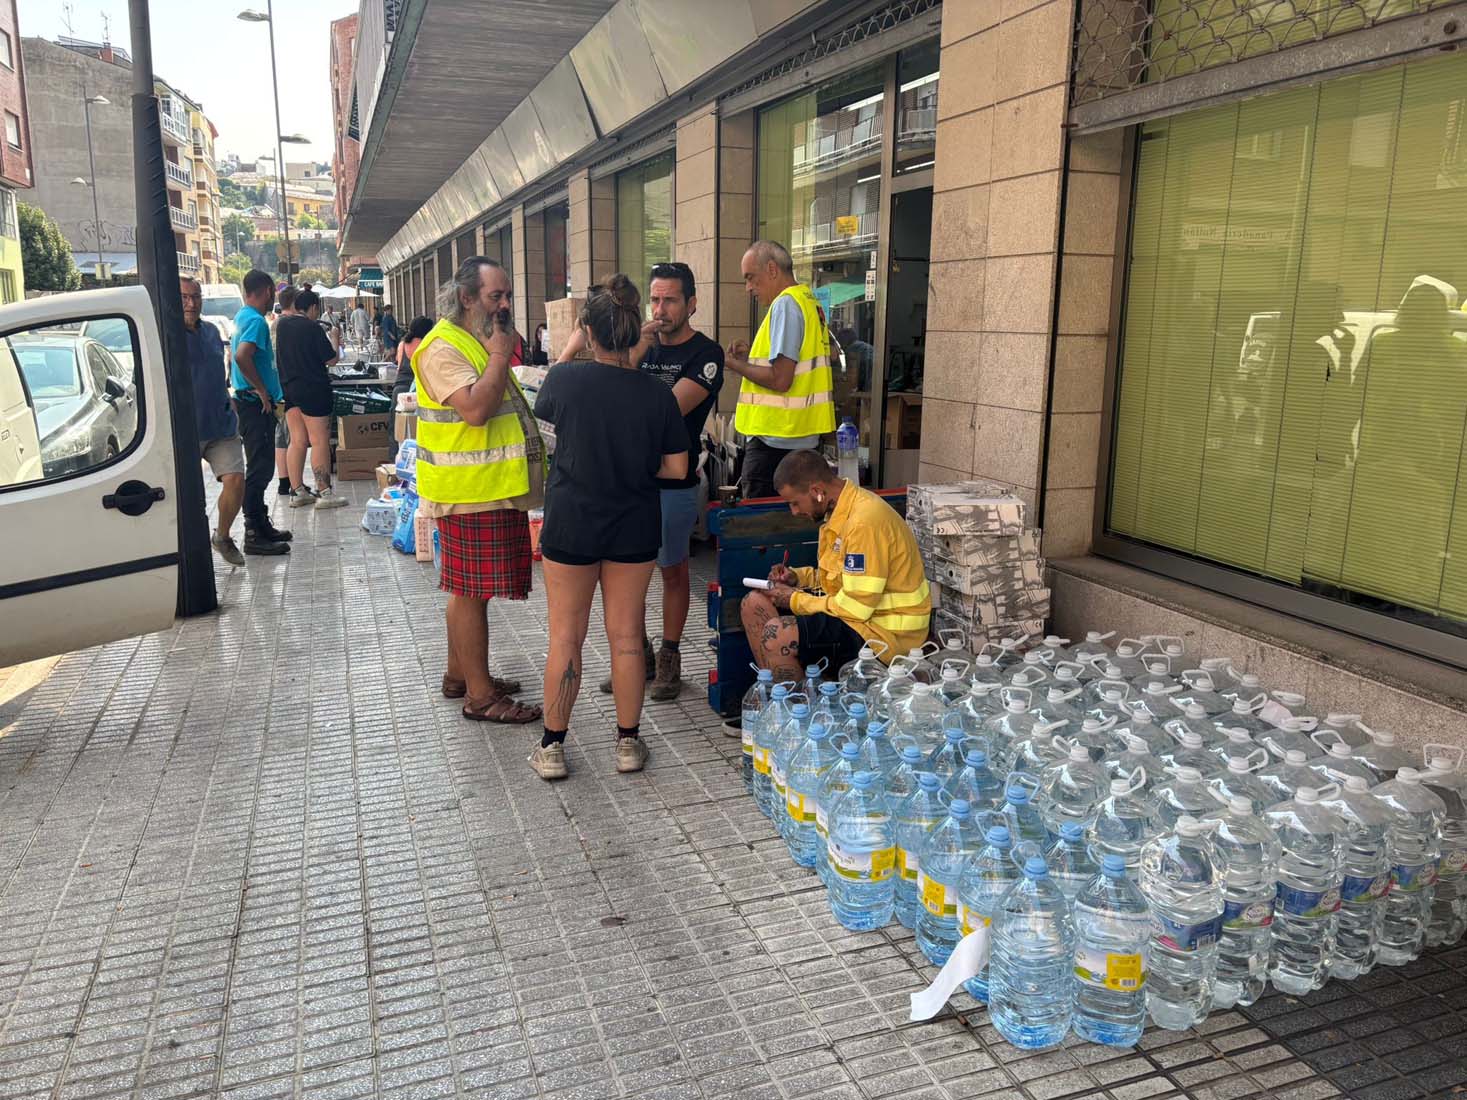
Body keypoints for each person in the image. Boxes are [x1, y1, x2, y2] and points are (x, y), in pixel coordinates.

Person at [532, 274, 687, 781]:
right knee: (626, 638)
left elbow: (545, 422)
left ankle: (553, 748)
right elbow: (677, 469)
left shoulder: (564, 381)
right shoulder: (657, 395)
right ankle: (627, 744)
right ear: (634, 329)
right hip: (634, 524)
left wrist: (574, 342)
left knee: (566, 637)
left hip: (571, 522)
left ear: (589, 331)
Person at [412, 257, 545, 725]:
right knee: (470, 592)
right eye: (495, 296)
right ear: (467, 297)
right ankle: (481, 696)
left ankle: (461, 676)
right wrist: (500, 355)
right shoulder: (443, 347)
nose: (505, 305)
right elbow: (475, 411)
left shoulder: (473, 338)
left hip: (486, 488)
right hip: (468, 492)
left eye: (508, 295)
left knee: (469, 590)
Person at [591, 261, 722, 702]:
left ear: (692, 304)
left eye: (670, 300)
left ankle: (669, 656)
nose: (660, 310)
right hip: (630, 481)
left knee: (673, 570)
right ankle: (638, 655)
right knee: (626, 575)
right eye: (655, 300)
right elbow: (607, 393)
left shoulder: (706, 355)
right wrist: (637, 352)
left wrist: (630, 368)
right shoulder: (641, 347)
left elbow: (664, 411)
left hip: (674, 481)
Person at [740, 449, 930, 681]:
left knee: (778, 636)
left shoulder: (864, 522)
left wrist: (794, 599)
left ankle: (797, 700)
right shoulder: (840, 510)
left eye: (795, 503)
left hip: (886, 637)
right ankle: (774, 693)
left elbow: (855, 607)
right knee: (753, 603)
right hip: (860, 619)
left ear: (817, 491)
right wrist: (797, 578)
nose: (794, 512)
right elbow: (841, 578)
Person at [724, 240, 835, 499]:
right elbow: (795, 365)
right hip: (801, 439)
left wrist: (732, 363)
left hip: (775, 443)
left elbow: (780, 379)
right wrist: (749, 358)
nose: (748, 288)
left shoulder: (785, 304)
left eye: (750, 277)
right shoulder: (808, 300)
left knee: (761, 520)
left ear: (772, 269)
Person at [179, 275, 246, 565]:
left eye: (196, 297)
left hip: (221, 423)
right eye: (184, 297)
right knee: (189, 496)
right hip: (185, 428)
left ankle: (223, 535)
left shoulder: (211, 331)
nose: (191, 303)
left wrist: (230, 401)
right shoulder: (166, 334)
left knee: (236, 480)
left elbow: (220, 372)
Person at [229, 269, 291, 555]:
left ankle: (261, 523)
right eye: (272, 293)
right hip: (255, 404)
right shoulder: (255, 321)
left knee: (261, 465)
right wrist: (262, 390)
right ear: (267, 290)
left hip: (248, 402)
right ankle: (253, 532)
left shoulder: (242, 316)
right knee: (260, 468)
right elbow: (242, 356)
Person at [277, 288, 347, 509]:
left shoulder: (283, 325)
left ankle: (297, 491)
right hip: (314, 389)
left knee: (297, 441)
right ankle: (324, 492)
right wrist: (335, 338)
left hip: (290, 389)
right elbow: (332, 359)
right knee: (319, 440)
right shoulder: (312, 328)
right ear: (314, 308)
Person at [389, 315, 432, 460]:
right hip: (412, 392)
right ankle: (410, 460)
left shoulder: (403, 343)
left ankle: (394, 459)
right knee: (411, 431)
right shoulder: (425, 344)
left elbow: (398, 363)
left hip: (398, 389)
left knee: (396, 429)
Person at [272, 285, 297, 498]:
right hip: (285, 387)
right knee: (290, 437)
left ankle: (284, 481)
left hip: (275, 388)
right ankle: (292, 483)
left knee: (281, 435)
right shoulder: (288, 325)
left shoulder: (275, 324)